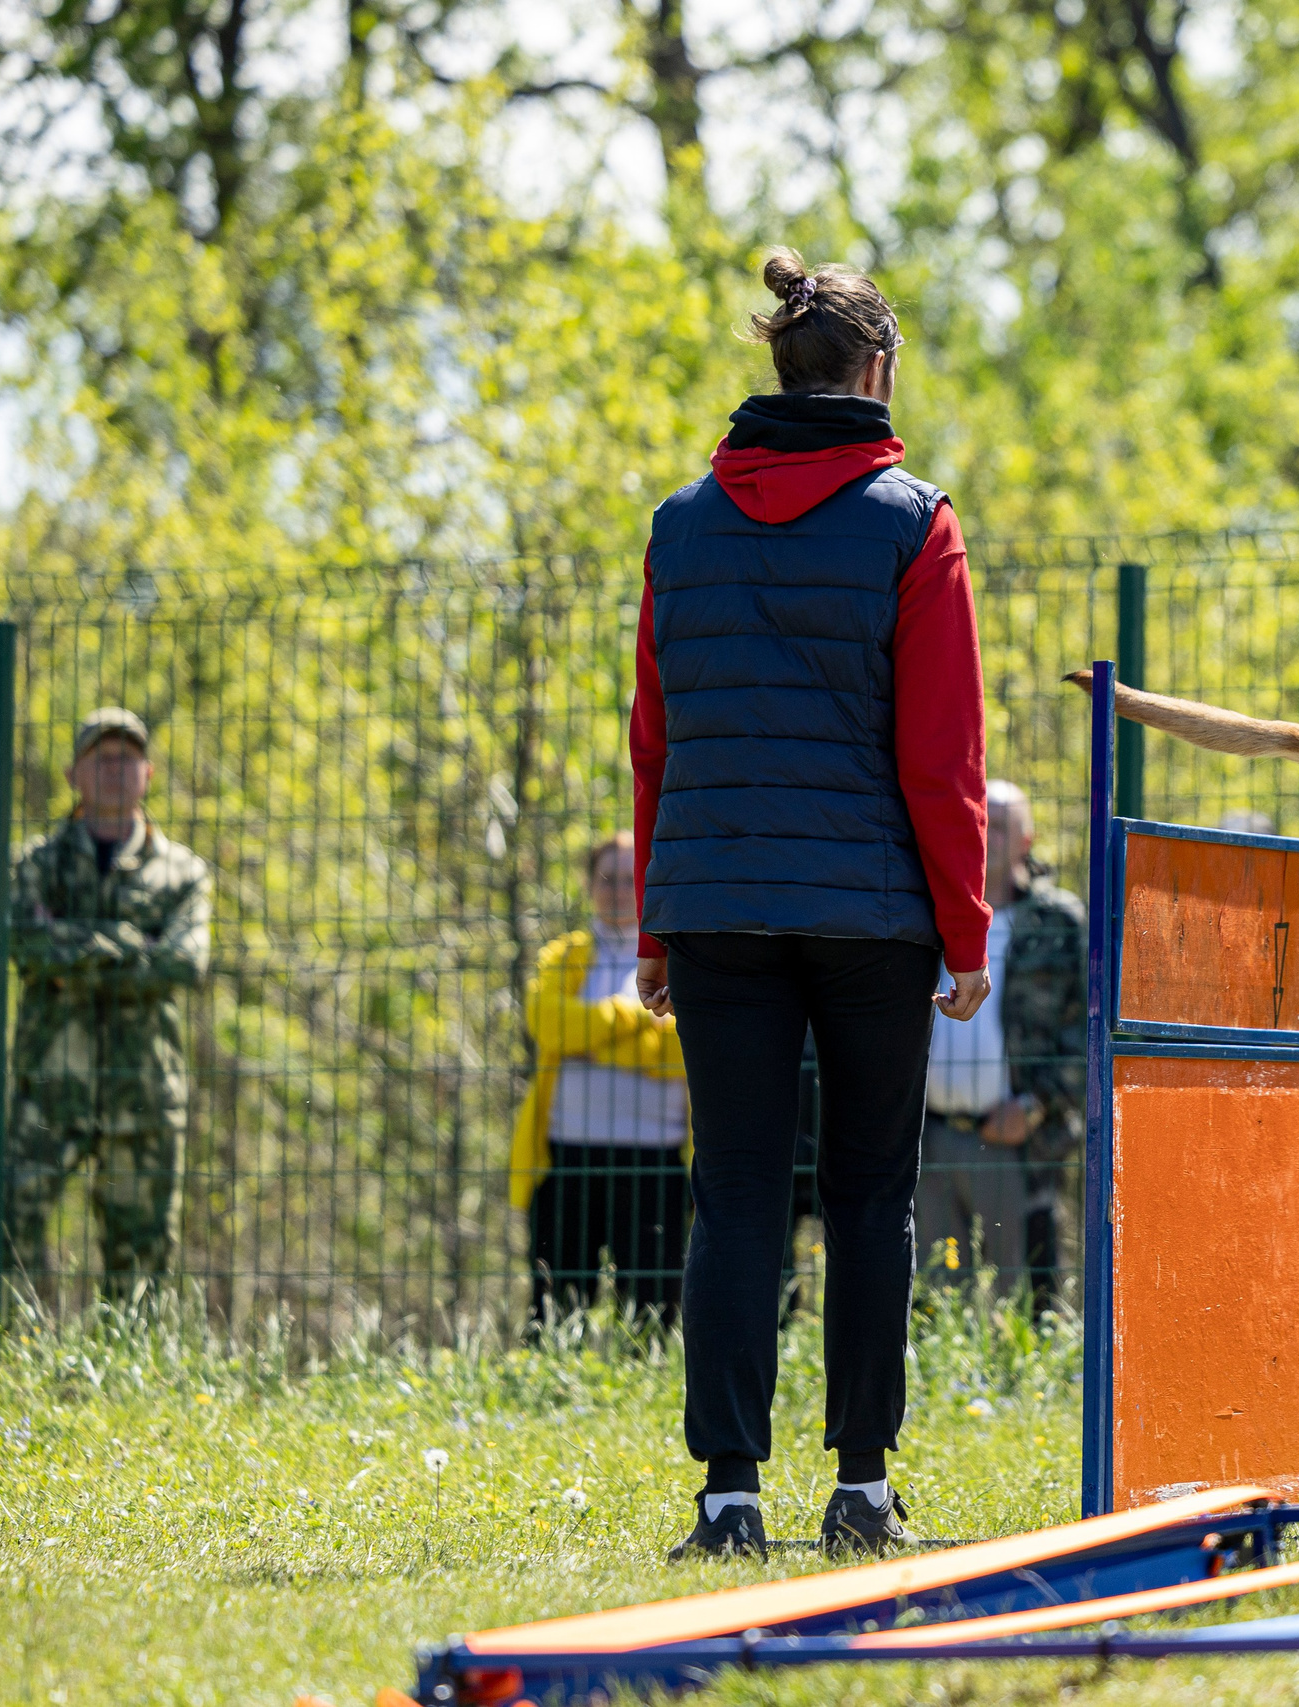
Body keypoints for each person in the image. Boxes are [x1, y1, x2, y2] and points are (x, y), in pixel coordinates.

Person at [630, 248, 990, 1560]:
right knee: (869, 1189)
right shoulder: (913, 522)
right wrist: (967, 928)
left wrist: (659, 924)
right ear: (877, 369)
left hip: (718, 900)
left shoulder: (680, 526)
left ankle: (728, 1490)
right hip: (870, 915)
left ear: (779, 366)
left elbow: (654, 740)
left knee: (732, 1189)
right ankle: (860, 1483)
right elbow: (943, 755)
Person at [5, 707, 212, 1293]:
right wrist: (131, 945)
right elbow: (24, 944)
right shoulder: (36, 864)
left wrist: (73, 951)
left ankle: (129, 1375)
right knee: (10, 1229)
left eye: (128, 758)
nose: (116, 769)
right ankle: (8, 1357)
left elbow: (186, 961)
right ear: (74, 774)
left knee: (142, 1256)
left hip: (141, 1090)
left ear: (148, 774)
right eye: (102, 758)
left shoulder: (182, 873)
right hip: (49, 1087)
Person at [510, 832, 691, 1330]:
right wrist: (633, 1015)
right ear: (588, 885)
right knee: (555, 1303)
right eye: (605, 878)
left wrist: (590, 1035)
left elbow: (681, 1049)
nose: (615, 890)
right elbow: (548, 1023)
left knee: (652, 1308)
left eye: (628, 878)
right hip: (568, 1154)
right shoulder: (561, 957)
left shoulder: (682, 958)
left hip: (656, 1158)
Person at [917, 781, 1086, 1310]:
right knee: (938, 1292)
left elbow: (1085, 1039)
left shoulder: (1058, 923)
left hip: (1018, 1141)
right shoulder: (926, 910)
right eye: (980, 823)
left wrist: (1036, 1108)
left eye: (1002, 826)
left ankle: (1015, 1387)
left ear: (1026, 841)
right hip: (931, 1136)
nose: (986, 836)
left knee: (1022, 1298)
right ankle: (944, 1386)